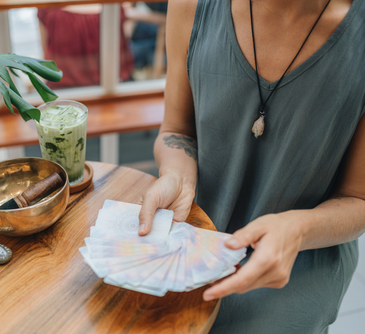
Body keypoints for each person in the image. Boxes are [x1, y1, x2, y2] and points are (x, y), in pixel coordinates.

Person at [137, 0, 365, 333]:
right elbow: (176, 131)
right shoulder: (190, 5)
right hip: (191, 242)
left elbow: (358, 198)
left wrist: (296, 230)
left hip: (299, 262)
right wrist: (178, 176)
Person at [37, 5, 134, 89]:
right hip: (112, 84)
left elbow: (45, 50)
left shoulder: (48, 10)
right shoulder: (114, 9)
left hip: (63, 86)